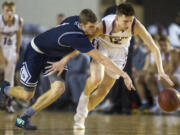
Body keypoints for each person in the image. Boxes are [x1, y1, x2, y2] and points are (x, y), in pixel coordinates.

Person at [0, 9, 134, 130]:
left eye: (95, 25)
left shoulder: (77, 19)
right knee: (27, 95)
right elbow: (103, 59)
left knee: (59, 89)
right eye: (91, 27)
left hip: (55, 55)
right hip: (36, 51)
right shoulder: (77, 38)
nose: (95, 30)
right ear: (82, 26)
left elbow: (64, 27)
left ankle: (23, 118)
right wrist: (124, 75)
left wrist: (62, 57)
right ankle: (4, 89)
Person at [48, 4, 173, 129]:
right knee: (96, 79)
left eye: (130, 21)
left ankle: (81, 115)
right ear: (116, 18)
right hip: (103, 46)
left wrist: (160, 70)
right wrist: (65, 59)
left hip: (120, 51)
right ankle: (85, 95)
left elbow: (154, 48)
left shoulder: (136, 25)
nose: (128, 25)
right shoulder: (104, 25)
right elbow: (82, 44)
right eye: (125, 21)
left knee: (104, 90)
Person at [0, 1, 23, 112]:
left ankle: (9, 104)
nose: (9, 12)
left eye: (11, 10)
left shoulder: (19, 20)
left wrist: (17, 52)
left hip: (11, 51)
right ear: (2, 11)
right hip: (1, 49)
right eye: (7, 10)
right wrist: (1, 56)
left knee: (9, 80)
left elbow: (19, 38)